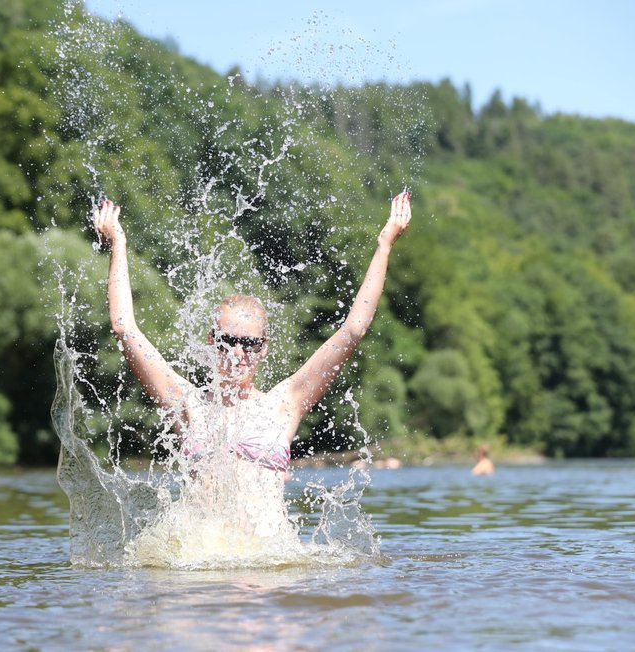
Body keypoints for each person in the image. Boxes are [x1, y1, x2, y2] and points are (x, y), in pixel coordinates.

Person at [91, 193, 412, 540]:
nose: (238, 353)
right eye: (229, 341)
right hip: (203, 564)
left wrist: (385, 244)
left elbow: (353, 330)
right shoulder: (188, 404)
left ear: (263, 348)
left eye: (250, 344)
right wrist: (118, 242)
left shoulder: (284, 404)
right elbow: (125, 328)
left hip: (266, 566)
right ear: (213, 341)